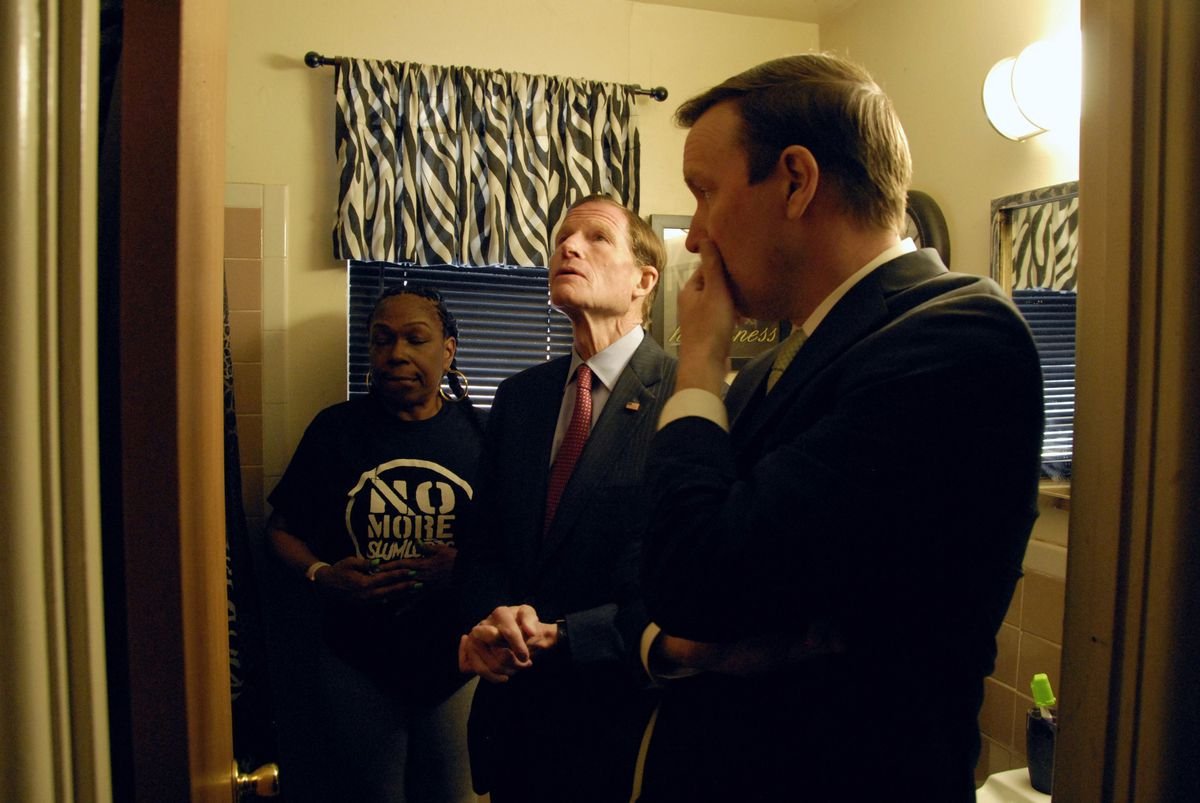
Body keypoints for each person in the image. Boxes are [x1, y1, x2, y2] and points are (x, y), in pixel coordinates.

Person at [637, 54, 1045, 802]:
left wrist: (698, 361)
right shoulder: (771, 369)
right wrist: (679, 640)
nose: (693, 237)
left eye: (705, 192)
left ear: (797, 180)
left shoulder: (958, 337)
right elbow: (659, 561)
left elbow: (697, 580)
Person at [456, 194, 676, 803]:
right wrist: (487, 621)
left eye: (596, 238)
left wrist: (568, 635)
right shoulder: (519, 397)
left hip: (619, 724)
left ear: (643, 281)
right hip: (513, 724)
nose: (568, 247)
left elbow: (681, 577)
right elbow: (483, 541)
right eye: (561, 239)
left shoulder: (687, 397)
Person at [266, 286, 483, 803]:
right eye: (382, 340)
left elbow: (520, 542)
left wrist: (465, 570)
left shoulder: (485, 433)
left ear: (447, 350)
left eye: (415, 338)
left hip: (459, 658)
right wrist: (322, 575)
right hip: (356, 660)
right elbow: (280, 530)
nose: (397, 354)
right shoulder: (335, 430)